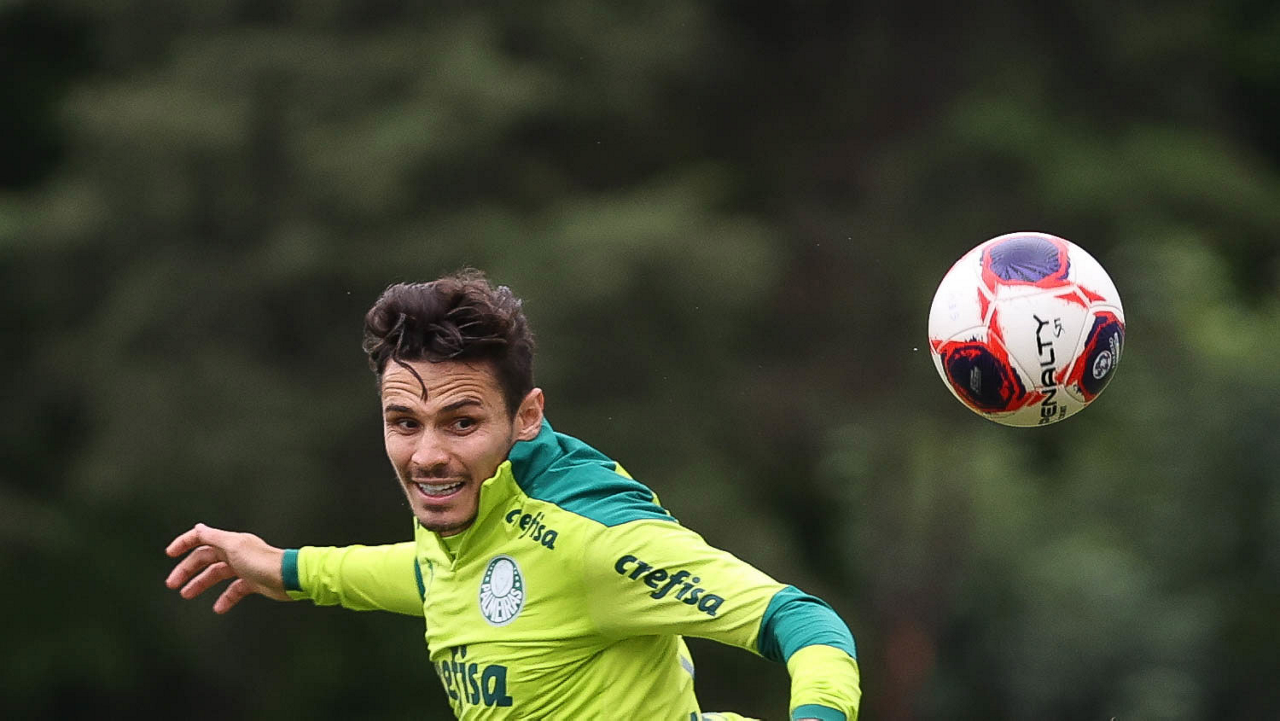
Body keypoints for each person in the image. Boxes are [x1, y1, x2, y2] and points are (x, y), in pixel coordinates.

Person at [165, 270, 860, 720]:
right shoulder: (464, 526)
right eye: (404, 422)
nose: (427, 455)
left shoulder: (593, 537)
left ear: (526, 416)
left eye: (461, 422)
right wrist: (286, 568)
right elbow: (430, 577)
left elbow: (806, 624)